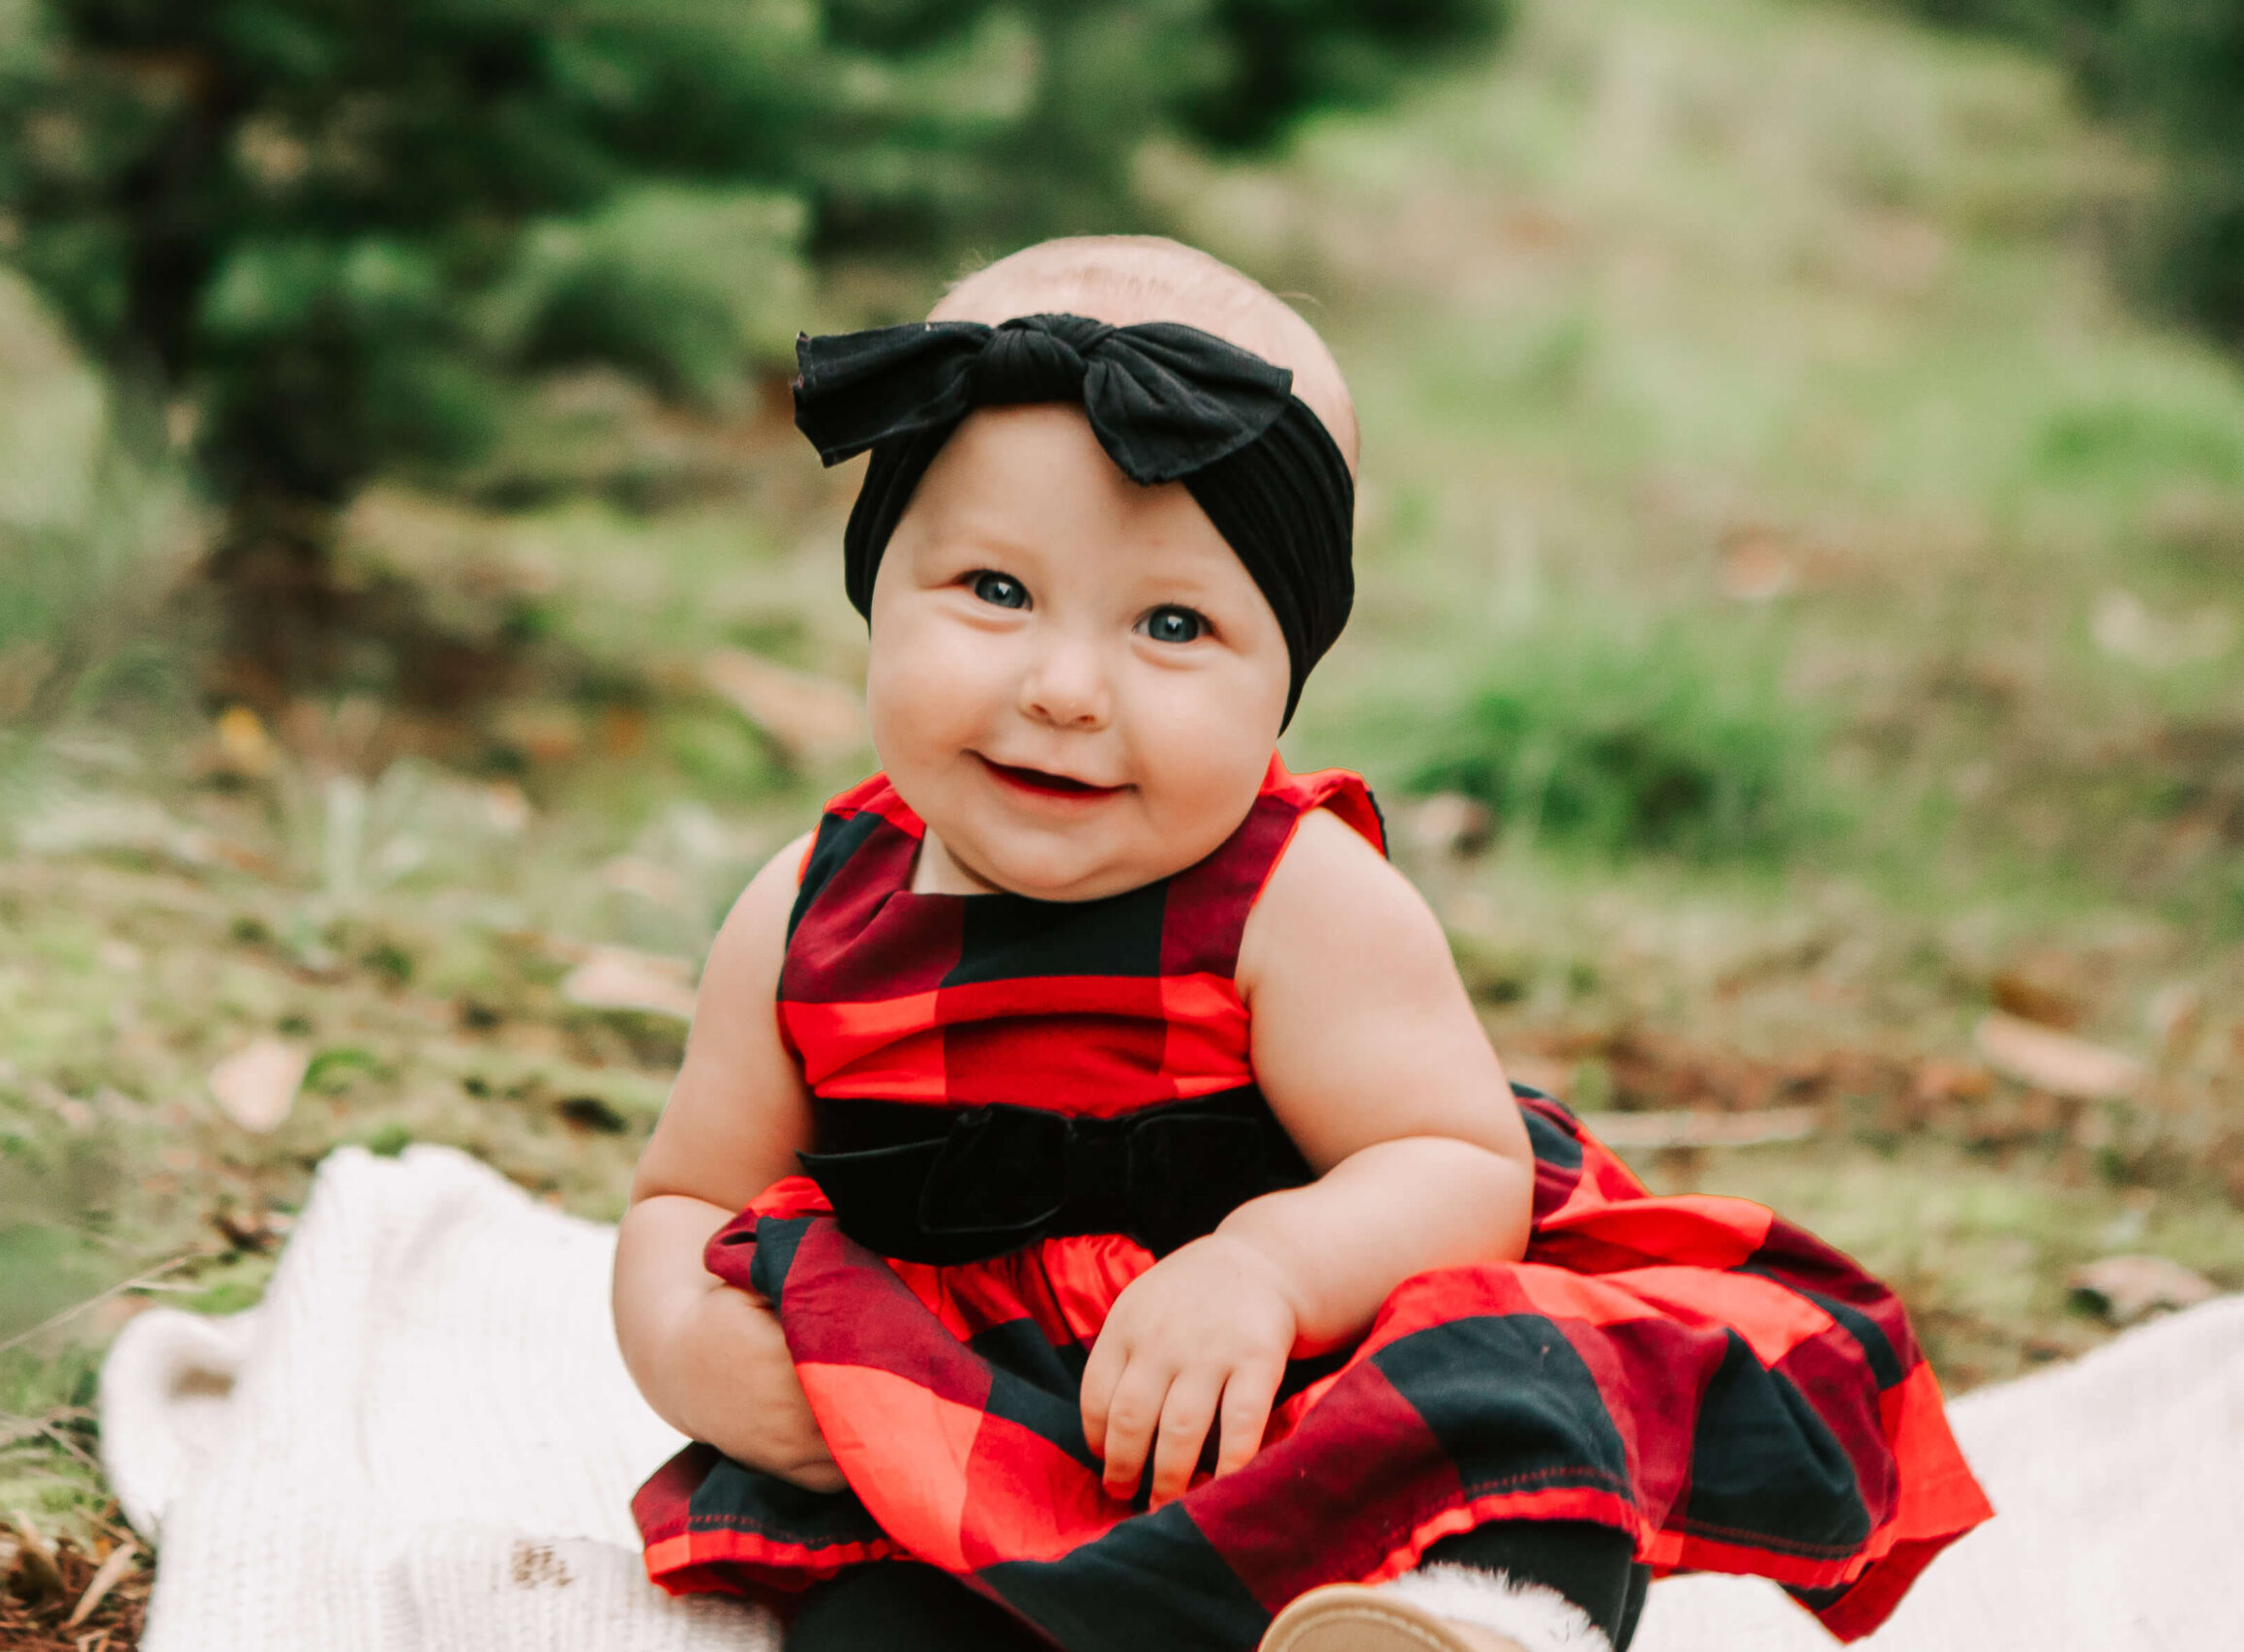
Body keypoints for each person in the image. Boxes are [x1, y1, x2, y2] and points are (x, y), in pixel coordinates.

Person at [611, 235, 1990, 1652]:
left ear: (1289, 669)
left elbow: (1455, 1166)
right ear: (877, 584)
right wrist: (687, 1347)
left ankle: (1443, 1621)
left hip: (1290, 1386)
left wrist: (1266, 1268)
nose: (1067, 688)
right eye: (995, 592)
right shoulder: (809, 910)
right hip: (965, 1416)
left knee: (1498, 1403)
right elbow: (684, 1197)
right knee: (873, 1606)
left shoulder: (1296, 896)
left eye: (1170, 623)